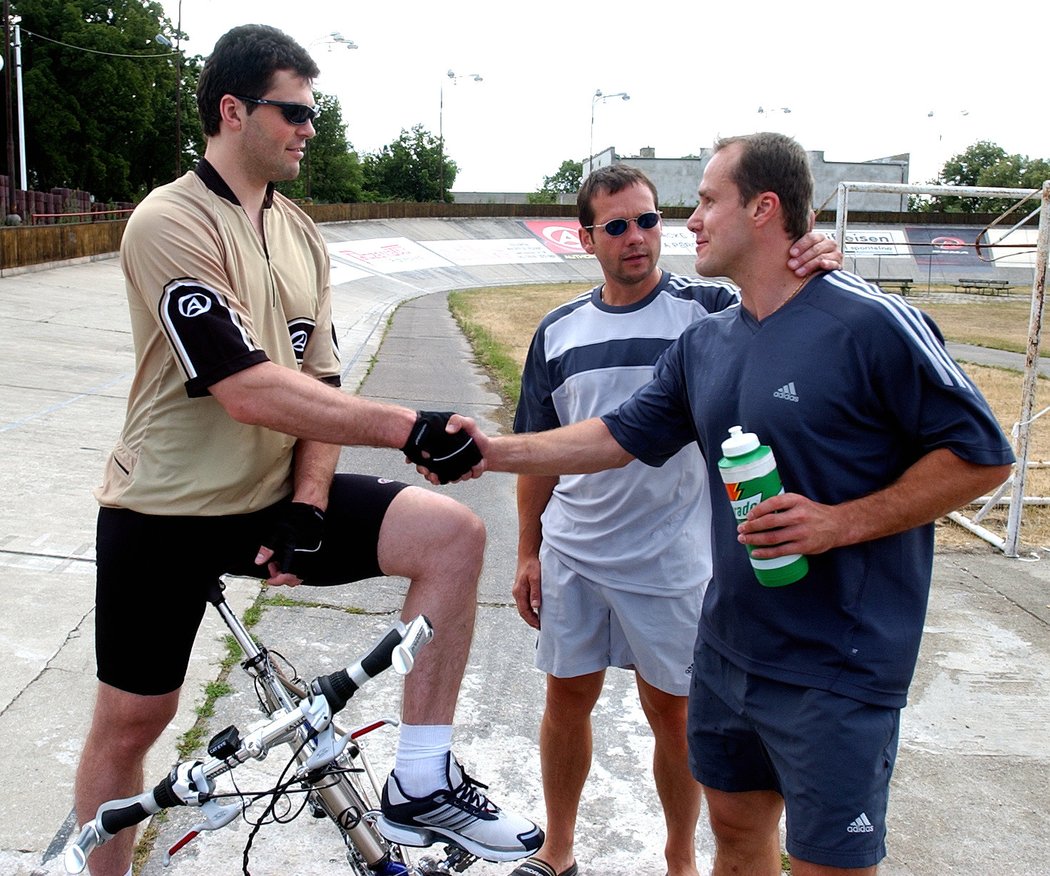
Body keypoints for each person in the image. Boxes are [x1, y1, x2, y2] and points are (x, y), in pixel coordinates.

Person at [429, 133, 1014, 876]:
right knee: (735, 838)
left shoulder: (867, 321)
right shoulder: (707, 342)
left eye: (706, 201)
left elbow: (982, 455)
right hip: (731, 649)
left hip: (837, 664)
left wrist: (840, 524)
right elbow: (614, 436)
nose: (689, 220)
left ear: (765, 208)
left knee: (829, 862)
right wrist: (491, 448)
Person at [73, 24, 540, 876]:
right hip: (163, 511)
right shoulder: (168, 221)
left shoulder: (301, 232)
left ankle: (423, 780)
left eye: (312, 114)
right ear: (232, 110)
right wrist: (409, 428)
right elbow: (245, 386)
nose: (309, 129)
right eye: (294, 111)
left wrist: (310, 501)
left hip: (266, 498)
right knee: (133, 724)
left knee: (454, 538)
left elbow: (318, 389)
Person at [507, 164, 840, 876]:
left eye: (650, 220)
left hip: (671, 558)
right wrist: (527, 552)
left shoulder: (709, 312)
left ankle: (680, 858)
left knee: (675, 714)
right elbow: (540, 454)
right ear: (586, 237)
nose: (639, 238)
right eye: (619, 226)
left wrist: (815, 259)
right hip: (573, 551)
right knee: (567, 699)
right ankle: (558, 849)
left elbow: (786, 303)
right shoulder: (558, 331)